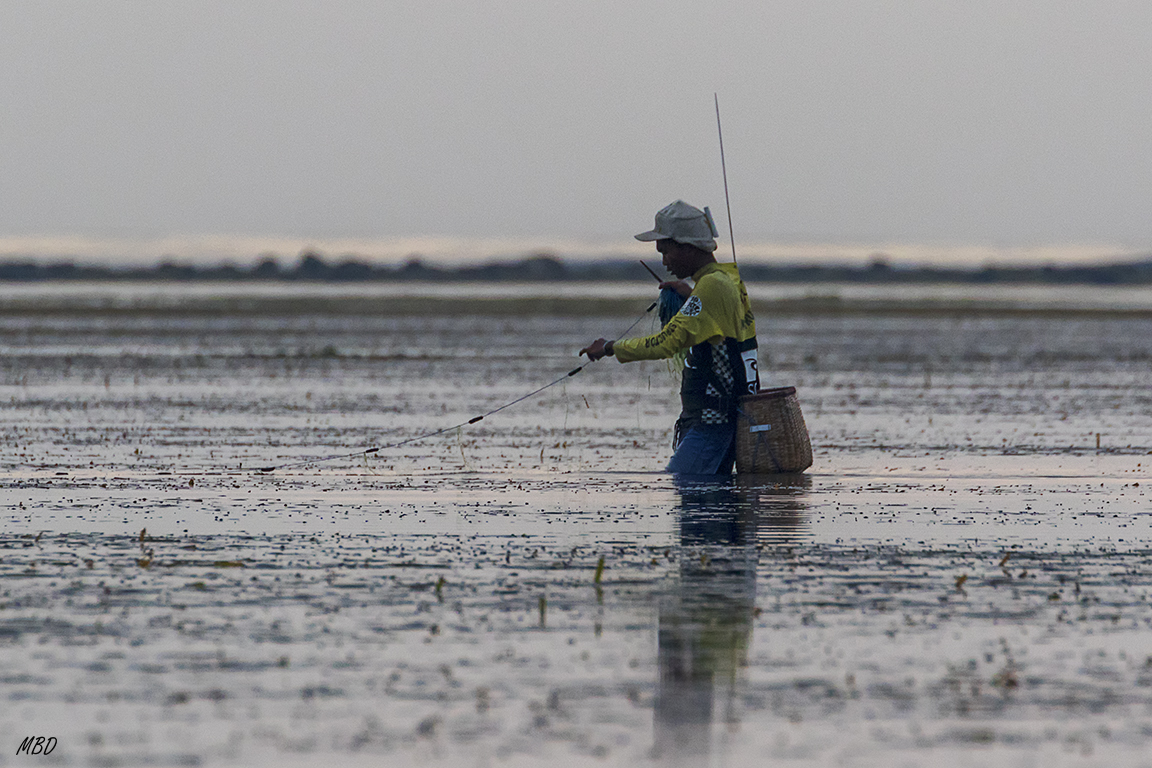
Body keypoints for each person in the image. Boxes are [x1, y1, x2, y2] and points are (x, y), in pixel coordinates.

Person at [581, 200, 760, 474]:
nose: (664, 262)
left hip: (713, 423)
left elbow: (666, 343)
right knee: (709, 495)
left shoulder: (711, 286)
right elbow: (722, 326)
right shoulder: (726, 279)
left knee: (682, 481)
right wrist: (692, 295)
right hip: (722, 421)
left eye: (666, 252)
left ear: (687, 247)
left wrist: (609, 347)